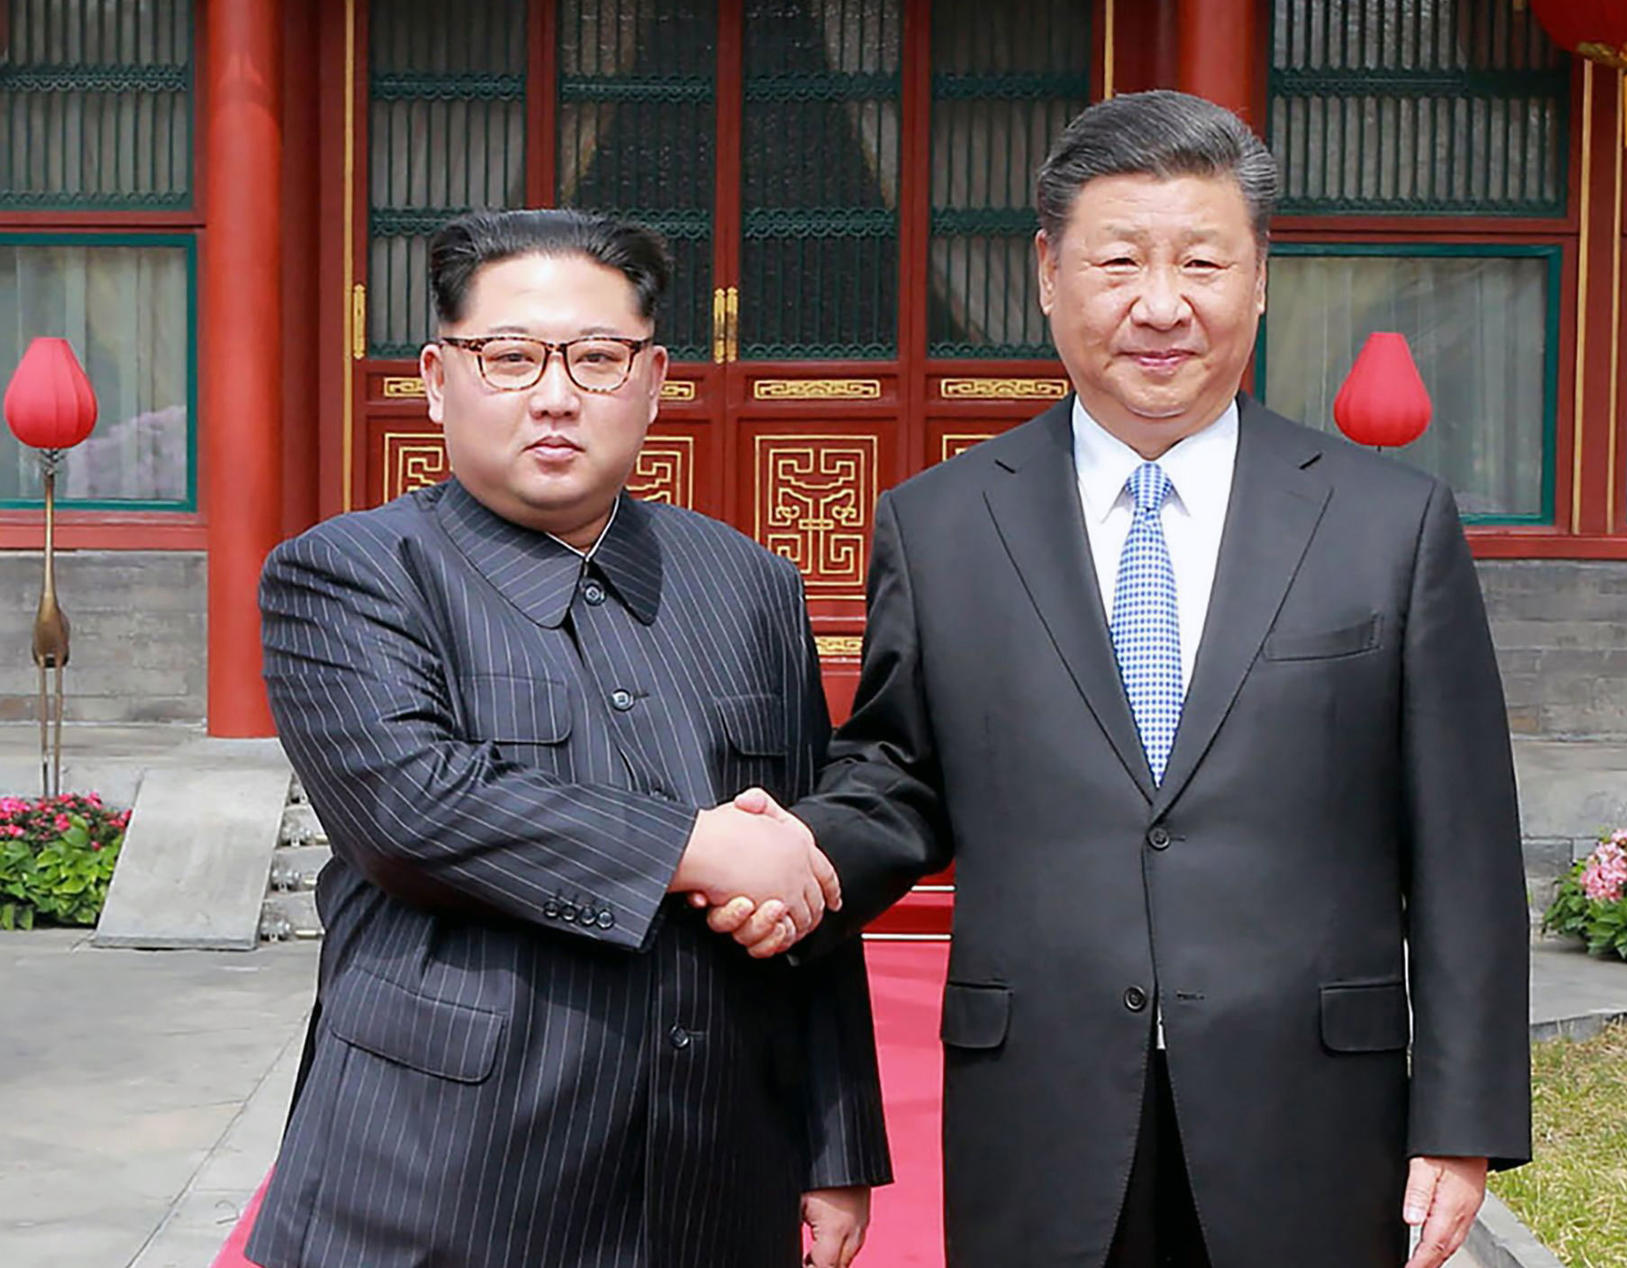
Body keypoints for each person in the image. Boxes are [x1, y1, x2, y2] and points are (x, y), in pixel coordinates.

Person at [720, 90, 1530, 1268]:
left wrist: (1462, 1121)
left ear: (1259, 278)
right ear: (1049, 272)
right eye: (1118, 261)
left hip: (1311, 1110)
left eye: (1203, 261)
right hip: (1040, 1102)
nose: (1162, 305)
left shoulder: (1387, 524)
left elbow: (1463, 840)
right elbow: (898, 772)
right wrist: (796, 857)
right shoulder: (942, 524)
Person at [245, 208, 890, 1268]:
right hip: (438, 1177)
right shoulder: (351, 573)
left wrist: (834, 1138)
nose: (554, 394)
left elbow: (798, 876)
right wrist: (693, 845)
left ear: (653, 376)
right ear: (437, 376)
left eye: (597, 358)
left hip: (712, 1168)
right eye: (508, 357)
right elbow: (415, 808)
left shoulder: (751, 585)